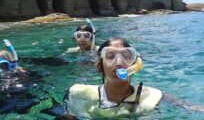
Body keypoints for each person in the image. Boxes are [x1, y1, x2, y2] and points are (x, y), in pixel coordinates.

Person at [63, 38, 204, 119]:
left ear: (136, 65)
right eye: (110, 56)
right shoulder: (79, 95)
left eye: (126, 56)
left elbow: (193, 108)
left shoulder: (155, 96)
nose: (119, 63)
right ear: (99, 66)